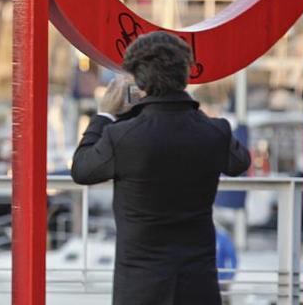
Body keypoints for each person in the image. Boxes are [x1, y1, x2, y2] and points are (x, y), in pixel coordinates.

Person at [71, 31, 251, 305]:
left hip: (140, 288)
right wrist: (192, 111)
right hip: (198, 285)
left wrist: (105, 114)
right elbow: (240, 163)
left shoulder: (121, 137)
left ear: (139, 81)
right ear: (185, 76)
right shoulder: (215, 131)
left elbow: (82, 169)